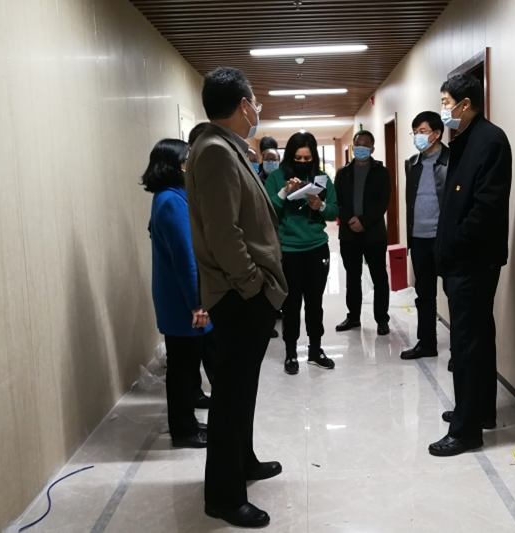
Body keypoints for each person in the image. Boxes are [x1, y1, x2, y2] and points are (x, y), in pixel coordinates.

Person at [186, 66, 288, 528]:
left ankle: (242, 462)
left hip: (244, 290)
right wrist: (251, 284)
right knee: (230, 395)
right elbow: (222, 232)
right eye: (255, 101)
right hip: (237, 293)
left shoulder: (226, 148)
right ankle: (224, 497)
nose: (257, 109)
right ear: (243, 104)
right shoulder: (214, 152)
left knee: (241, 388)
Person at [428, 73, 512, 457]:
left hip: (473, 261)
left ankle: (466, 431)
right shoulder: (464, 139)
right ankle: (479, 411)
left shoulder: (490, 141)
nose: (443, 109)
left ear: (465, 103)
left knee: (466, 344)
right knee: (477, 338)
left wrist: (455, 246)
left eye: (446, 102)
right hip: (461, 260)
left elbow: (484, 210)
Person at [141, 138, 216, 449]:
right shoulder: (171, 202)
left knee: (184, 365)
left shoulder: (172, 196)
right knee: (182, 369)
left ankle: (187, 423)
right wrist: (197, 304)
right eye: (189, 159)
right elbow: (186, 258)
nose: (193, 165)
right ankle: (184, 431)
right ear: (175, 165)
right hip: (182, 300)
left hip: (179, 296)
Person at [264, 131, 339, 375]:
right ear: (290, 156)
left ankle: (315, 350)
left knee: (315, 303)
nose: (303, 162)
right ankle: (290, 353)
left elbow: (334, 212)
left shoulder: (322, 178)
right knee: (291, 304)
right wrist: (284, 192)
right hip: (289, 250)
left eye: (308, 158)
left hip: (317, 248)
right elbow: (267, 212)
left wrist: (320, 205)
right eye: (298, 158)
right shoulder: (276, 177)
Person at [400, 112, 451, 364]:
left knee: (453, 294)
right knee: (424, 294)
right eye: (415, 132)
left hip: (445, 239)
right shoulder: (412, 163)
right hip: (419, 238)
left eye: (422, 131)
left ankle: (459, 351)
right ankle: (427, 342)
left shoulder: (452, 160)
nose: (417, 137)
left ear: (437, 133)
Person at [334, 130, 391, 336]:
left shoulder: (381, 172)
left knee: (379, 277)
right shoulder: (343, 173)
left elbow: (383, 201)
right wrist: (350, 220)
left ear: (372, 148)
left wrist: (364, 221)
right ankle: (353, 317)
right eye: (358, 144)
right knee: (352, 277)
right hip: (348, 234)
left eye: (366, 145)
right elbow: (336, 201)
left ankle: (382, 319)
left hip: (374, 234)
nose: (361, 148)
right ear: (353, 146)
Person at [185, 122, 217, 409]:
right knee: (201, 341)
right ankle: (199, 390)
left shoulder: (215, 173)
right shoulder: (180, 191)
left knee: (212, 340)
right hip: (201, 273)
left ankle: (217, 387)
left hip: (217, 271)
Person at [258, 144, 283, 339]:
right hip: (261, 236)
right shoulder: (255, 180)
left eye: (274, 159)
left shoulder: (283, 180)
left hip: (281, 234)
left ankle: (278, 309)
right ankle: (268, 320)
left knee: (280, 275)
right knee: (266, 278)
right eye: (267, 159)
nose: (270, 162)